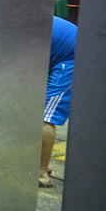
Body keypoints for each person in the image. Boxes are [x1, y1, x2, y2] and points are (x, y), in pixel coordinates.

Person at [40, 16, 76, 188]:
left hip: (69, 58)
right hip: (55, 53)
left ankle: (41, 173)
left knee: (46, 116)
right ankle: (37, 160)